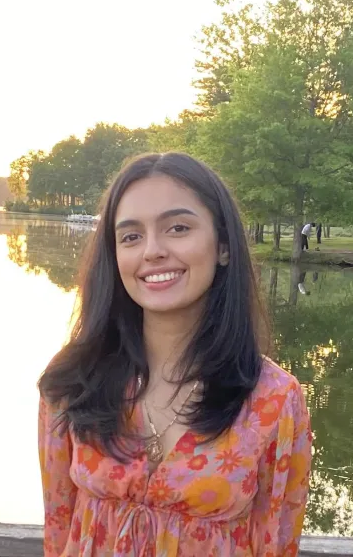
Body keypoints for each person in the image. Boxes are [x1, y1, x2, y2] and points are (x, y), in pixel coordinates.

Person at [38, 152, 312, 557]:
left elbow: (274, 541)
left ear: (222, 246)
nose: (152, 251)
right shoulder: (72, 380)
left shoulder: (273, 400)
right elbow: (58, 529)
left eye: (178, 228)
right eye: (130, 236)